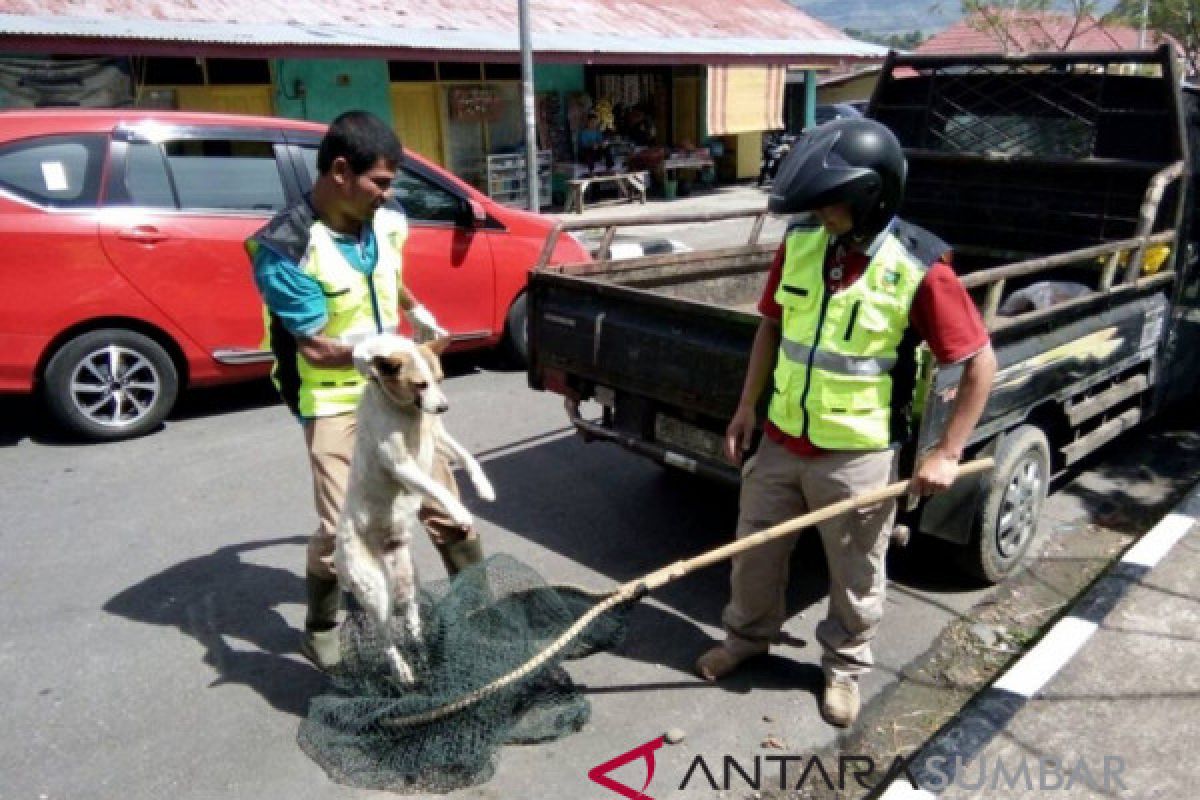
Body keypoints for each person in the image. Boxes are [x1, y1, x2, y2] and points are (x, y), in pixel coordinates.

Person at [694, 117, 997, 728]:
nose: (818, 216)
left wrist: (947, 453)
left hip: (857, 457)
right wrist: (746, 407)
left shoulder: (919, 267)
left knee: (856, 576)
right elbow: (772, 329)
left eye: (828, 205)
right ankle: (747, 638)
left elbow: (978, 364)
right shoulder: (803, 244)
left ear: (868, 198)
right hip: (781, 441)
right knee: (753, 553)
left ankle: (843, 670)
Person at [245, 110, 484, 672]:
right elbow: (314, 345)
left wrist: (419, 315)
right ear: (341, 172)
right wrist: (377, 353)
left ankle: (478, 609)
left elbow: (387, 278)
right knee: (343, 525)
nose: (389, 193)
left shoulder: (386, 218)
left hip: (395, 390)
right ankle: (322, 624)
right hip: (330, 395)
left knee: (444, 502)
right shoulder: (285, 248)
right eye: (380, 182)